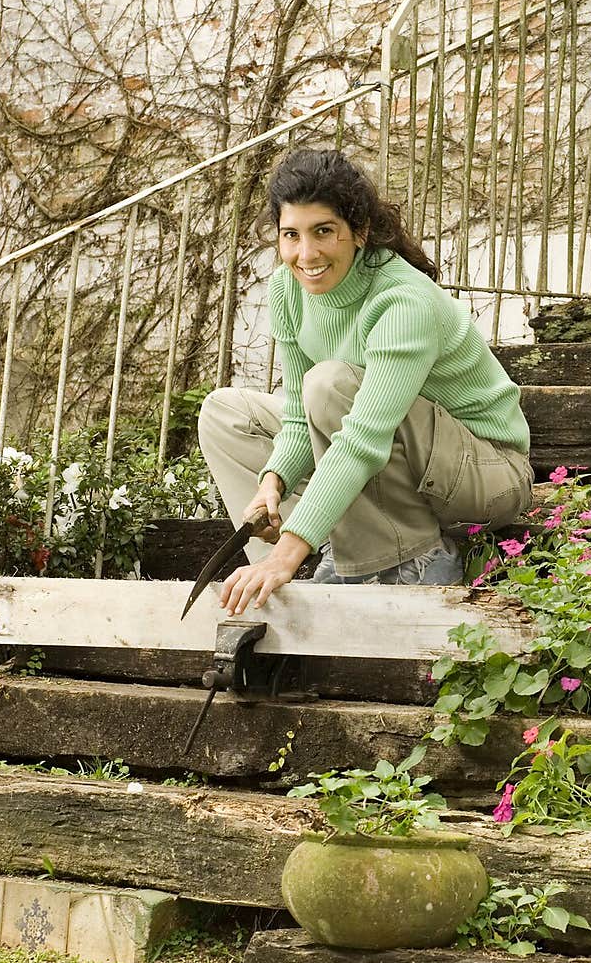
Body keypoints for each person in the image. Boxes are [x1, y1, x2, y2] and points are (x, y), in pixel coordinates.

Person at [198, 147, 534, 616]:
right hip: (404, 460)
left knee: (330, 385)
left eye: (323, 232)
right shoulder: (286, 289)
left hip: (486, 473)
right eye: (290, 235)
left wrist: (285, 553)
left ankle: (419, 559)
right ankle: (288, 574)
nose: (306, 254)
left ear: (360, 232)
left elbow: (362, 439)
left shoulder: (402, 301)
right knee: (225, 412)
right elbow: (298, 417)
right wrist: (271, 483)